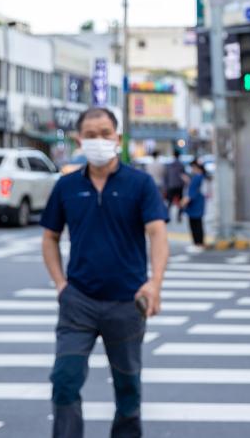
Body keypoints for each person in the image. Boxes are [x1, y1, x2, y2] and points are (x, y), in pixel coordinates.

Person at [40, 107, 169, 438]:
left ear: (118, 138)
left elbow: (157, 233)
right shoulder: (67, 186)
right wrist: (61, 285)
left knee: (128, 385)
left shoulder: (140, 184)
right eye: (90, 135)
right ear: (79, 140)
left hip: (127, 302)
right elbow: (50, 237)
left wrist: (154, 283)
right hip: (78, 301)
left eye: (105, 134)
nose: (98, 140)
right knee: (64, 380)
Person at [182, 160, 208, 250]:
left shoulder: (197, 178)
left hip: (194, 205)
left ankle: (197, 244)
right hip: (199, 203)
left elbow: (191, 193)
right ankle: (200, 243)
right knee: (198, 224)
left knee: (195, 225)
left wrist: (184, 202)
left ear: (196, 168)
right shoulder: (202, 177)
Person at [163, 149, 188, 222]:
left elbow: (166, 176)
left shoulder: (169, 165)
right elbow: (184, 176)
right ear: (179, 156)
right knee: (180, 201)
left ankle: (167, 215)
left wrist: (166, 186)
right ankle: (179, 216)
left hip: (171, 185)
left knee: (170, 202)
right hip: (179, 186)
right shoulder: (181, 165)